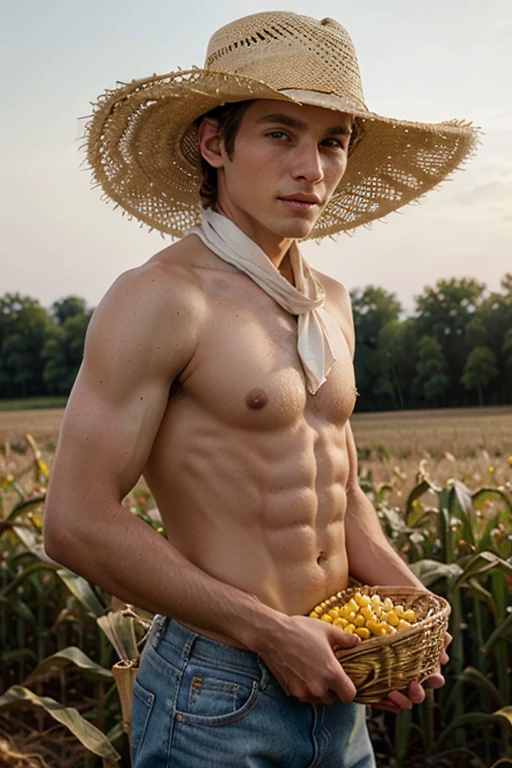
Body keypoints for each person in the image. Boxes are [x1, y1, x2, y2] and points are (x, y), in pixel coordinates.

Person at [43, 10, 478, 767]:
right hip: (218, 693)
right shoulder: (163, 298)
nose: (312, 168)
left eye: (332, 141)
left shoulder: (330, 302)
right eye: (281, 134)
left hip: (338, 674)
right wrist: (269, 632)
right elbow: (74, 520)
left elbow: (333, 486)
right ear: (215, 144)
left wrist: (412, 610)